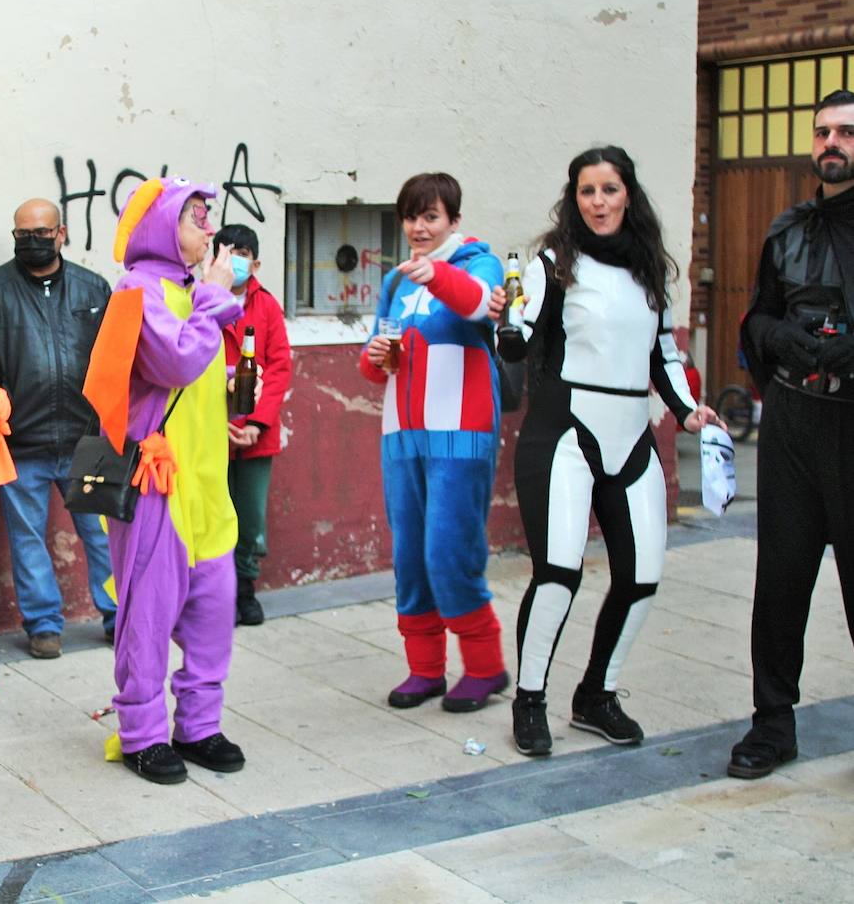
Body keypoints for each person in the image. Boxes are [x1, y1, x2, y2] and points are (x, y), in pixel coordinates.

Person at [499, 146, 720, 757]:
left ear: (629, 194)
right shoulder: (552, 263)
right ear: (574, 198)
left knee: (643, 576)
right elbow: (518, 337)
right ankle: (531, 698)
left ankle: (598, 693)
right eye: (587, 191)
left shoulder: (652, 270)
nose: (598, 202)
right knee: (559, 574)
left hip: (632, 435)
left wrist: (686, 410)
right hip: (563, 435)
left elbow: (664, 357)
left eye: (610, 189)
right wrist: (506, 325)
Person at [82, 176, 247, 784]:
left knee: (213, 609)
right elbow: (174, 361)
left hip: (207, 485)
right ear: (160, 226)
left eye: (209, 215)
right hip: (155, 484)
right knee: (147, 616)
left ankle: (199, 725)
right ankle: (142, 732)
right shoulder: (136, 290)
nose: (209, 226)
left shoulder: (191, 290)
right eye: (194, 216)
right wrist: (213, 299)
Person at [730, 90, 854, 780]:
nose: (830, 142)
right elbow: (756, 322)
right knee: (780, 581)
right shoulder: (788, 229)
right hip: (792, 423)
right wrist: (787, 338)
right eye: (823, 131)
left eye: (845, 132)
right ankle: (772, 725)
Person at [357, 173, 510, 715]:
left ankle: (487, 667)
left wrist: (437, 273)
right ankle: (425, 670)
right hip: (402, 437)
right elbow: (377, 364)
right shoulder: (397, 283)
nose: (419, 228)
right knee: (410, 557)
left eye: (431, 217)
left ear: (453, 222)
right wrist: (375, 357)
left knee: (449, 551)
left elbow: (475, 306)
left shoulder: (477, 262)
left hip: (461, 436)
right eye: (412, 217)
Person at [0, 199, 117, 659]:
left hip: (91, 439)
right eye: (22, 234)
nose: (31, 241)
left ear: (61, 234)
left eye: (41, 233)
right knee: (28, 539)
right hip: (22, 441)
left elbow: (117, 357)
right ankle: (43, 626)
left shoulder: (94, 289)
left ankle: (118, 615)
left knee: (105, 536)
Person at [214, 224, 293, 626]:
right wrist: (220, 420)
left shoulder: (267, 306)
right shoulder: (203, 300)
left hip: (256, 435)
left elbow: (279, 368)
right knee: (214, 514)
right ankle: (216, 594)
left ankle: (246, 590)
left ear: (256, 262)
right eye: (226, 251)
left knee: (249, 516)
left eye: (242, 252)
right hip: (212, 433)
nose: (234, 260)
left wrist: (257, 424)